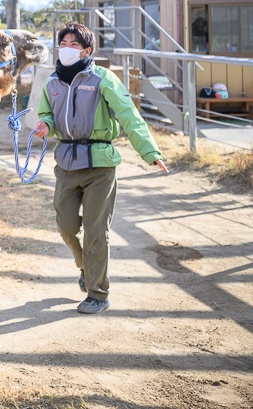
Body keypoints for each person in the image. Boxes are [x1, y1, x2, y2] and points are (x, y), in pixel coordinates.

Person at [33, 22, 168, 315]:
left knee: (95, 230)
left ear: (87, 50)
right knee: (66, 227)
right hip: (66, 164)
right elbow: (46, 114)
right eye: (63, 44)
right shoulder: (52, 83)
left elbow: (129, 115)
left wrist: (149, 151)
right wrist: (45, 124)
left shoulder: (103, 79)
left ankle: (97, 293)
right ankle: (86, 266)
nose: (66, 49)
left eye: (73, 45)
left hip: (100, 166)